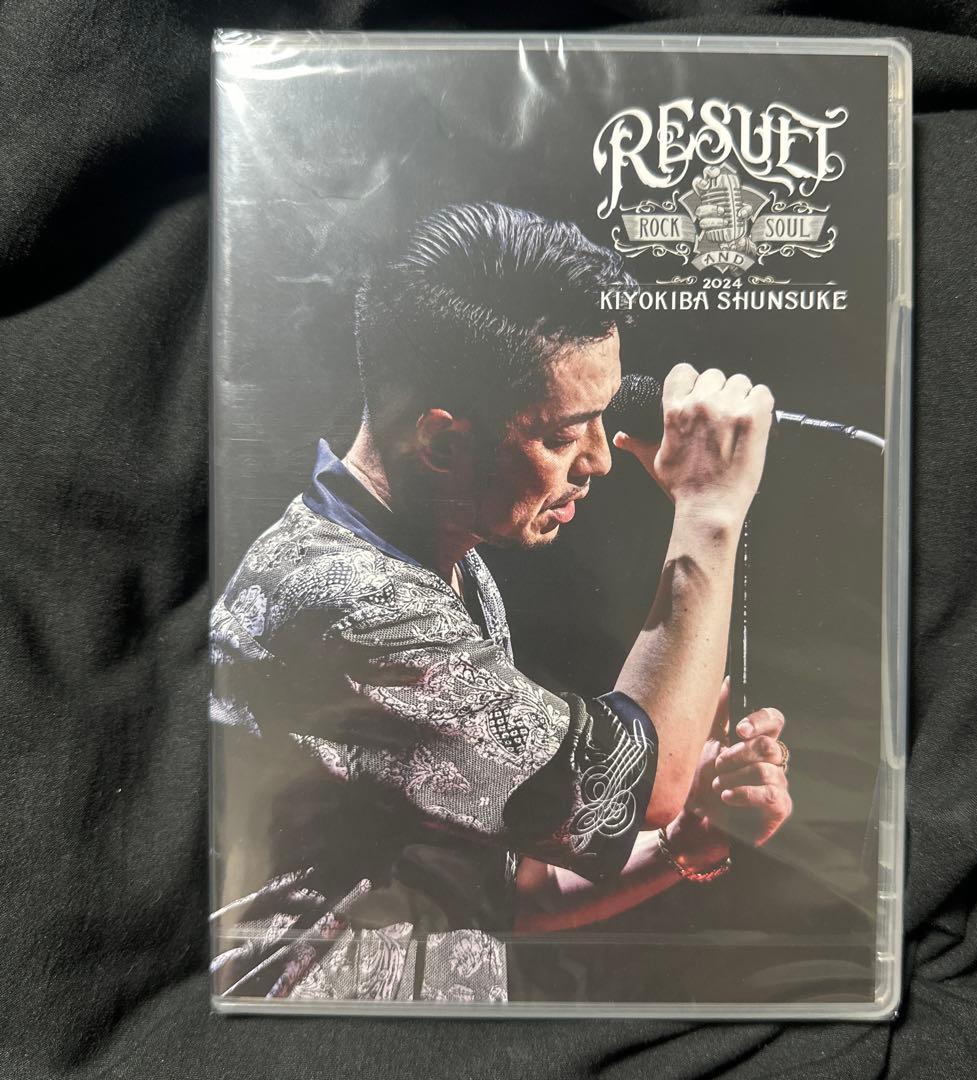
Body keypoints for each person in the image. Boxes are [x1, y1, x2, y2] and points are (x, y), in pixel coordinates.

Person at [209, 202, 792, 1004]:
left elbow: (504, 892)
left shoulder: (453, 570)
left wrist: (683, 844)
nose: (599, 460)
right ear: (442, 442)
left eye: (601, 419)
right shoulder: (346, 599)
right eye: (564, 434)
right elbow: (636, 786)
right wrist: (710, 513)